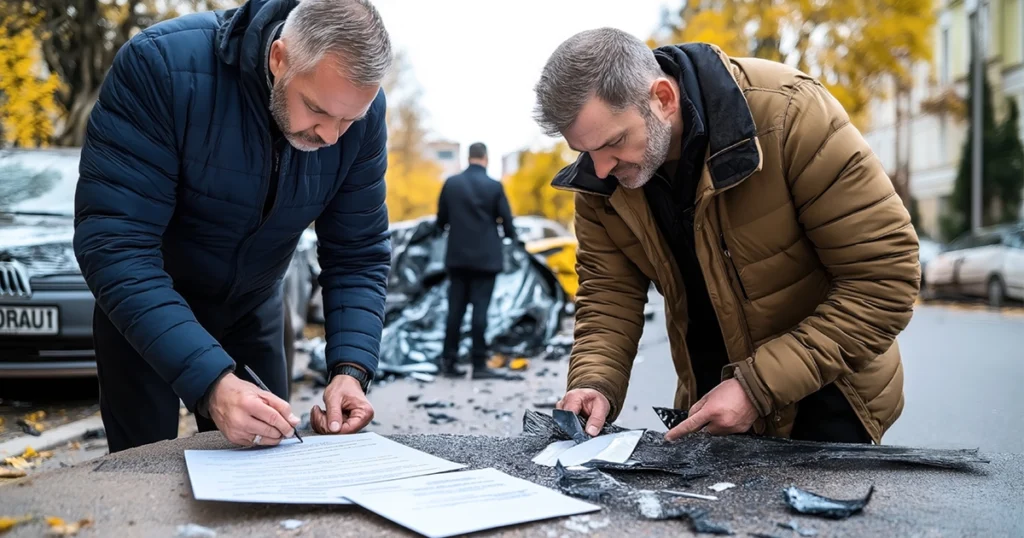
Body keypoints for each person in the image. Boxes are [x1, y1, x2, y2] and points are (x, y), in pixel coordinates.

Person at [534, 29, 920, 444]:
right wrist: (595, 379)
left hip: (829, 397)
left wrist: (757, 387)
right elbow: (609, 294)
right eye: (585, 150)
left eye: (614, 143)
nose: (602, 168)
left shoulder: (791, 114)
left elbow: (885, 280)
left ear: (662, 99)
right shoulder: (600, 179)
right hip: (711, 407)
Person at [73, 0, 393, 452]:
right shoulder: (159, 66)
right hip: (144, 309)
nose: (331, 136)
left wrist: (351, 369)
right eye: (317, 110)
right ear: (280, 58)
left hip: (252, 307)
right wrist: (211, 382)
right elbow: (113, 243)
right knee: (140, 470)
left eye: (349, 120)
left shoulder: (361, 114)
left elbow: (357, 252)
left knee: (264, 470)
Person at [435, 142, 520, 380]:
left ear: (468, 157)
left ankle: (449, 362)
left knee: (455, 311)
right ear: (486, 158)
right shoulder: (494, 186)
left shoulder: (451, 184)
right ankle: (479, 364)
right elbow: (507, 221)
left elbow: (441, 220)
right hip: (486, 260)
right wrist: (513, 239)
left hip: (457, 258)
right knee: (480, 312)